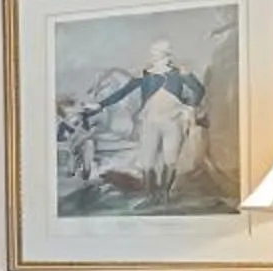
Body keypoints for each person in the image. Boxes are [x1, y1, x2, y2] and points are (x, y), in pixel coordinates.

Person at [77, 40, 207, 204]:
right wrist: (100, 105)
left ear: (166, 54)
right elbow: (123, 92)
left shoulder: (179, 73)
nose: (153, 56)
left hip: (172, 122)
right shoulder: (145, 75)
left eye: (156, 53)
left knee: (170, 160)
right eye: (153, 53)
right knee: (148, 161)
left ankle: (164, 194)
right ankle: (151, 194)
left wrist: (189, 105)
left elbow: (199, 90)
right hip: (149, 122)